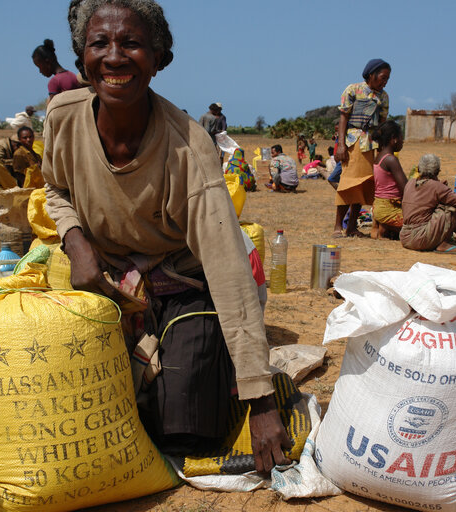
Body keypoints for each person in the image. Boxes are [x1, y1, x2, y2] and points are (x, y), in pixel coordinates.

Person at [45, 0, 289, 471]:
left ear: (159, 60)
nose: (114, 57)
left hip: (183, 282)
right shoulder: (63, 116)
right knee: (85, 411)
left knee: (185, 434)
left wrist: (260, 401)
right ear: (81, 59)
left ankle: (218, 366)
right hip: (107, 281)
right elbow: (55, 188)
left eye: (132, 44)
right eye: (100, 44)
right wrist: (76, 243)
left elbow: (227, 267)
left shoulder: (190, 146)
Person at [333, 58, 390, 238]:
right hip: (353, 142)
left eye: (387, 79)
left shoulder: (384, 97)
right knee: (348, 184)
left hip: (371, 144)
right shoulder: (353, 90)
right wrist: (341, 144)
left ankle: (351, 227)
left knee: (363, 186)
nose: (384, 82)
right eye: (382, 77)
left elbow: (382, 124)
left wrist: (383, 149)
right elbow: (343, 117)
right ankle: (337, 227)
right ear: (371, 75)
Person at [400, 154, 456, 255]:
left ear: (419, 169)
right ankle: (443, 243)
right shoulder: (437, 187)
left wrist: (440, 186)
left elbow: (426, 194)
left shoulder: (410, 183)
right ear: (437, 172)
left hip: (405, 237)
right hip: (421, 239)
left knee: (441, 202)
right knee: (452, 205)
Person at [370, 121, 406, 240]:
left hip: (378, 207)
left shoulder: (379, 158)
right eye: (401, 137)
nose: (402, 141)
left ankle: (384, 226)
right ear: (393, 139)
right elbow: (405, 189)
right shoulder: (391, 159)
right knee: (421, 225)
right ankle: (386, 227)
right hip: (389, 209)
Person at [32, 39, 82, 103]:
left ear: (47, 62)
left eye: (39, 67)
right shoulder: (72, 75)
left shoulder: (54, 82)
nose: (40, 71)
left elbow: (54, 110)